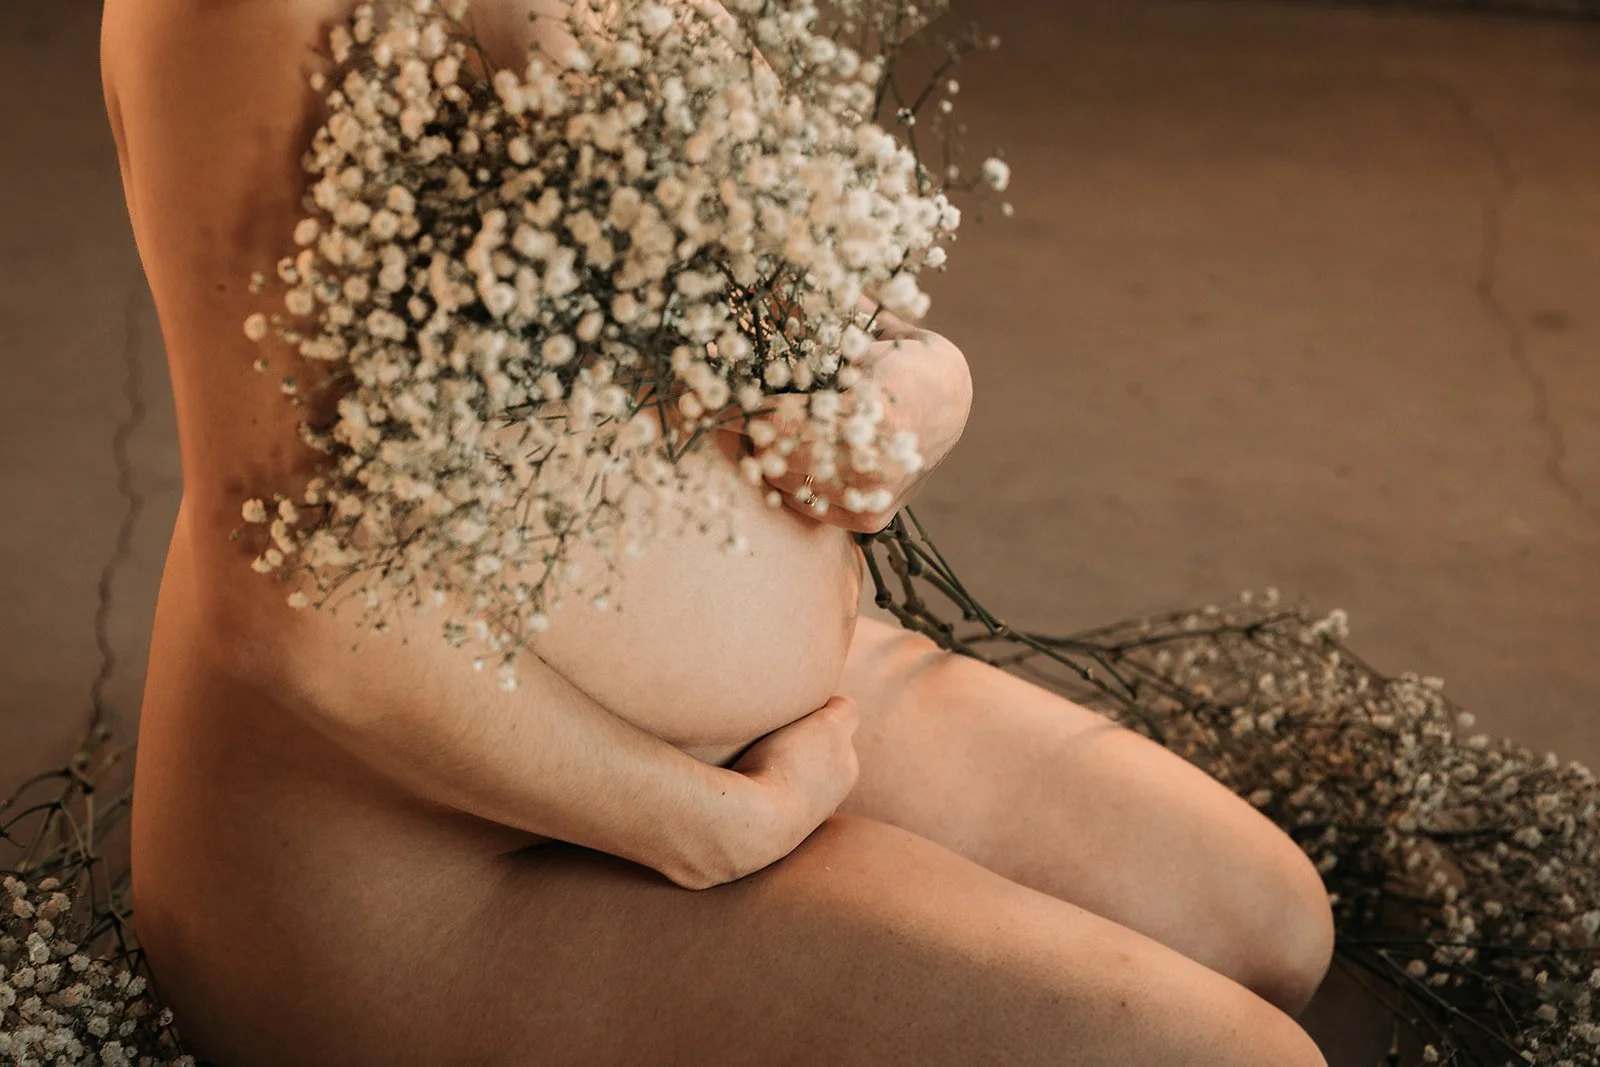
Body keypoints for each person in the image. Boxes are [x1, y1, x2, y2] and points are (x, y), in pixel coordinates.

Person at [100, 0, 1335, 1062]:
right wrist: (699, 824)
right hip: (430, 852)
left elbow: (809, 289)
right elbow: (296, 601)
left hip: (781, 708)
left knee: (1267, 925)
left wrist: (916, 391)